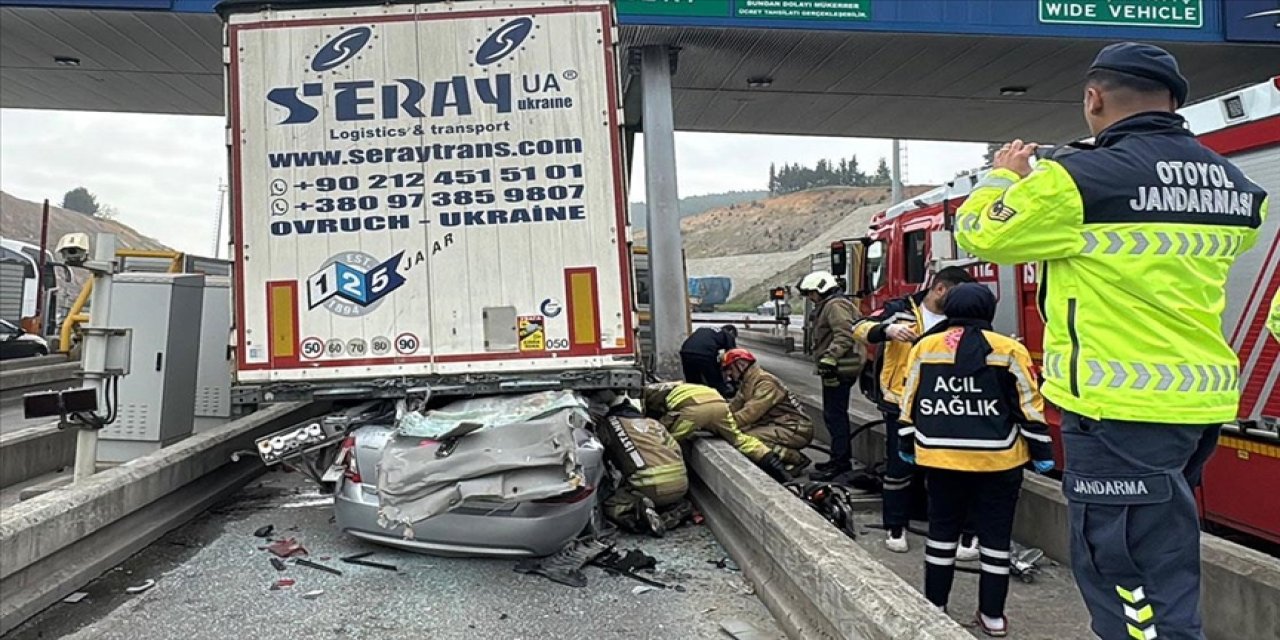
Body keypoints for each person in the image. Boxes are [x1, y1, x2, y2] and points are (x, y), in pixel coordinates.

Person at [955, 42, 1269, 640]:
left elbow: (981, 234)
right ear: (1175, 102)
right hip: (1197, 403)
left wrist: (1005, 175)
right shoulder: (1231, 181)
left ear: (1094, 98)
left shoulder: (1081, 179)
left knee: (1123, 571)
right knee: (1167, 554)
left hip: (1119, 407)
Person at [897, 283, 1055, 637]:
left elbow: (910, 400)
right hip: (999, 463)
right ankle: (993, 617)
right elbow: (1029, 406)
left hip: (939, 459)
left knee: (941, 535)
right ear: (988, 310)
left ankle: (935, 606)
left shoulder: (926, 347)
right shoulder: (1010, 350)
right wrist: (1042, 452)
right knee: (995, 541)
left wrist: (907, 442)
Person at [853, 265, 975, 553]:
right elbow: (858, 327)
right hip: (900, 401)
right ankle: (896, 528)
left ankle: (942, 526)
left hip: (943, 403)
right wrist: (887, 330)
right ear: (940, 289)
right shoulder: (899, 309)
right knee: (899, 467)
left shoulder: (958, 317)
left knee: (943, 468)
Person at [642, 382, 790, 482]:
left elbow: (664, 423)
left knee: (668, 442)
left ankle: (665, 477)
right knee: (739, 439)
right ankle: (775, 465)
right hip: (719, 404)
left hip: (693, 410)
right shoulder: (684, 385)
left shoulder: (651, 395)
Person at [796, 270, 863, 482]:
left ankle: (840, 463)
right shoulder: (832, 304)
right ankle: (838, 458)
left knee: (835, 416)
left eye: (812, 293)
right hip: (838, 367)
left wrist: (831, 357)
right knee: (833, 415)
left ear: (822, 288)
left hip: (841, 367)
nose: (810, 298)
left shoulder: (835, 306)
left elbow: (844, 334)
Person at [593, 393, 689, 537]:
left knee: (608, 502)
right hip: (681, 485)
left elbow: (605, 458)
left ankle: (636, 508)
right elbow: (676, 449)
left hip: (649, 486)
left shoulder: (609, 424)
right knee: (664, 493)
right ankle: (673, 509)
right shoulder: (654, 424)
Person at [721, 348, 816, 475]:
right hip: (781, 425)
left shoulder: (765, 383)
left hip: (795, 428)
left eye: (729, 369)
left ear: (741, 365)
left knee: (746, 438)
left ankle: (795, 458)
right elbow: (734, 406)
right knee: (741, 434)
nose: (728, 375)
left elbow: (750, 414)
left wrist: (723, 426)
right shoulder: (748, 383)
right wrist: (718, 416)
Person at [679, 325, 739, 397]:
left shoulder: (705, 329)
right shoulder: (727, 334)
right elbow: (733, 355)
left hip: (686, 351)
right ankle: (721, 398)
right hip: (705, 354)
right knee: (715, 381)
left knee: (693, 384)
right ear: (731, 332)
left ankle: (695, 400)